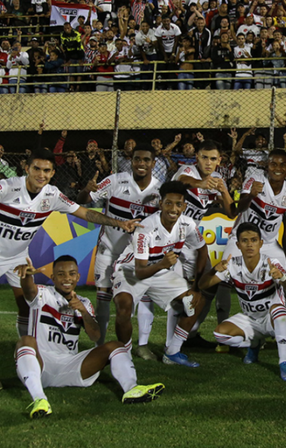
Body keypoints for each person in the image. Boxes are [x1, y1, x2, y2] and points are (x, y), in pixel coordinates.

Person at [0, 149, 141, 392]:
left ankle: (30, 357)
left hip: (17, 257)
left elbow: (85, 212)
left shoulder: (53, 195)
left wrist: (120, 223)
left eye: (47, 170)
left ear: (52, 172)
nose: (41, 174)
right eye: (37, 169)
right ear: (27, 168)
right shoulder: (7, 187)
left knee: (27, 305)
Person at [13, 255, 165, 419]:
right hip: (41, 365)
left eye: (72, 274)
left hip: (70, 366)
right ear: (53, 278)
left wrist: (83, 312)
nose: (67, 278)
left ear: (78, 277)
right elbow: (29, 291)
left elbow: (95, 336)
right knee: (25, 341)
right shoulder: (43, 294)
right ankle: (39, 399)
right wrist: (28, 276)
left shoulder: (84, 302)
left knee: (116, 345)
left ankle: (131, 389)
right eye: (61, 274)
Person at [111, 181, 208, 368]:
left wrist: (195, 286)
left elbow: (202, 250)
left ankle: (173, 352)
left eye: (178, 204)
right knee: (124, 306)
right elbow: (140, 272)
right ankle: (124, 354)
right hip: (131, 270)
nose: (173, 209)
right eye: (169, 203)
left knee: (197, 300)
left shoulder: (187, 224)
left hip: (158, 271)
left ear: (184, 206)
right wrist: (164, 263)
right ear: (160, 204)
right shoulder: (145, 228)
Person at [75, 144, 161, 349]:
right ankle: (100, 348)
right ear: (131, 161)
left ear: (154, 163)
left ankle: (142, 345)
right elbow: (83, 201)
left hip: (136, 257)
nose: (141, 163)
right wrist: (87, 190)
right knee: (103, 300)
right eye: (137, 159)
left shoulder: (159, 190)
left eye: (146, 160)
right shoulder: (115, 181)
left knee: (140, 301)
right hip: (109, 249)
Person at [200, 223, 286, 381]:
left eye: (253, 240)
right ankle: (255, 343)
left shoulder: (271, 264)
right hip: (250, 319)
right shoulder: (232, 264)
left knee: (279, 311)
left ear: (261, 243)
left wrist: (282, 277)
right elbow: (203, 285)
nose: (249, 244)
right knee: (220, 334)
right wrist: (213, 270)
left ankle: (284, 362)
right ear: (238, 245)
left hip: (272, 319)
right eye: (245, 241)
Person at [173, 140, 234, 340]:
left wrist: (223, 191)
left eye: (213, 159)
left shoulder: (216, 178)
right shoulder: (187, 171)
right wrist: (200, 184)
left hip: (192, 240)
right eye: (204, 157)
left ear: (219, 161)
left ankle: (190, 333)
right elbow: (182, 181)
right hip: (172, 238)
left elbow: (231, 212)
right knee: (178, 292)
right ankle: (173, 340)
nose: (208, 162)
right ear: (197, 157)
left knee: (210, 283)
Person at [223, 149, 286, 306]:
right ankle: (222, 321)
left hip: (269, 244)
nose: (278, 168)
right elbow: (240, 209)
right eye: (273, 164)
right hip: (240, 240)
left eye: (282, 164)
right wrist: (251, 195)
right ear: (266, 166)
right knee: (222, 277)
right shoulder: (254, 179)